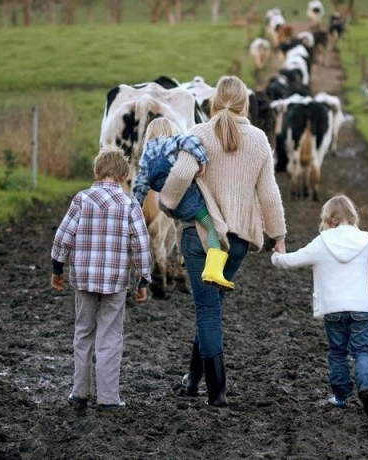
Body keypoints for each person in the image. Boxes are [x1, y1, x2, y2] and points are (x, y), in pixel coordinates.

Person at [159, 75, 287, 407]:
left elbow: (180, 176)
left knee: (207, 310)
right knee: (211, 308)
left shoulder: (199, 134)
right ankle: (193, 381)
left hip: (202, 238)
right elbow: (269, 193)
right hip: (239, 242)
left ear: (213, 102)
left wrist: (167, 203)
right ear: (246, 104)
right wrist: (278, 236)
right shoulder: (258, 140)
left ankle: (217, 393)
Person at [270, 195, 368, 417]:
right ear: (352, 216)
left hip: (332, 310)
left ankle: (340, 397)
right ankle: (366, 388)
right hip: (360, 309)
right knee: (363, 351)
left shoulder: (322, 241)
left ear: (328, 219)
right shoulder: (366, 239)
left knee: (338, 353)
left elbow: (290, 261)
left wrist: (277, 256)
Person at [50, 145, 153, 410]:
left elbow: (63, 235)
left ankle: (79, 393)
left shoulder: (81, 200)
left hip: (84, 280)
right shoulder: (130, 203)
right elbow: (141, 244)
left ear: (97, 170)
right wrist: (143, 278)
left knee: (83, 332)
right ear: (123, 174)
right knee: (110, 336)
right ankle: (108, 398)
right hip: (115, 283)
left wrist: (57, 267)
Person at [133, 118, 233, 290]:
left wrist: (134, 207)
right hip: (187, 197)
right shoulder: (171, 142)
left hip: (171, 204)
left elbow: (140, 185)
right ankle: (213, 271)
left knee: (188, 225)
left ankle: (186, 259)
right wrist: (202, 161)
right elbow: (190, 140)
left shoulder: (146, 157)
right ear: (170, 130)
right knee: (212, 227)